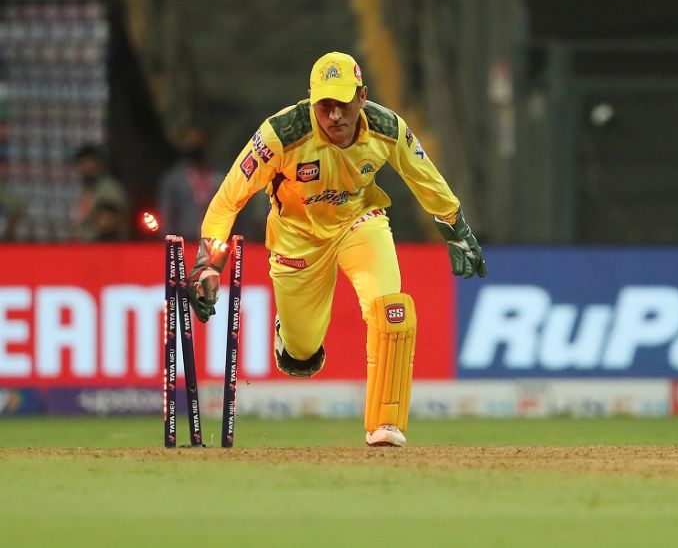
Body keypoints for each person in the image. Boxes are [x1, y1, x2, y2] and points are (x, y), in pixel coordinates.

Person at [185, 51, 486, 447]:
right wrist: (209, 263)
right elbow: (230, 198)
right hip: (297, 239)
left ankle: (386, 424)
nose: (334, 117)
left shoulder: (386, 128)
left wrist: (456, 226)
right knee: (301, 357)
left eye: (342, 104)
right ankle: (291, 338)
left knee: (390, 310)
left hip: (359, 222)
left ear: (362, 97)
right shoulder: (281, 134)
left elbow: (423, 177)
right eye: (324, 106)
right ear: (311, 101)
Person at [156, 124, 219, 240]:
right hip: (184, 240)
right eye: (190, 142)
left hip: (216, 241)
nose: (195, 145)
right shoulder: (173, 179)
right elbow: (166, 214)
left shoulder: (222, 176)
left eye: (199, 141)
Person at [69, 144, 129, 241]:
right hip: (84, 245)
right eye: (82, 163)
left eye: (89, 162)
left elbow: (112, 221)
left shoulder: (109, 188)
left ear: (99, 163)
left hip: (106, 245)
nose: (86, 167)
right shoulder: (83, 188)